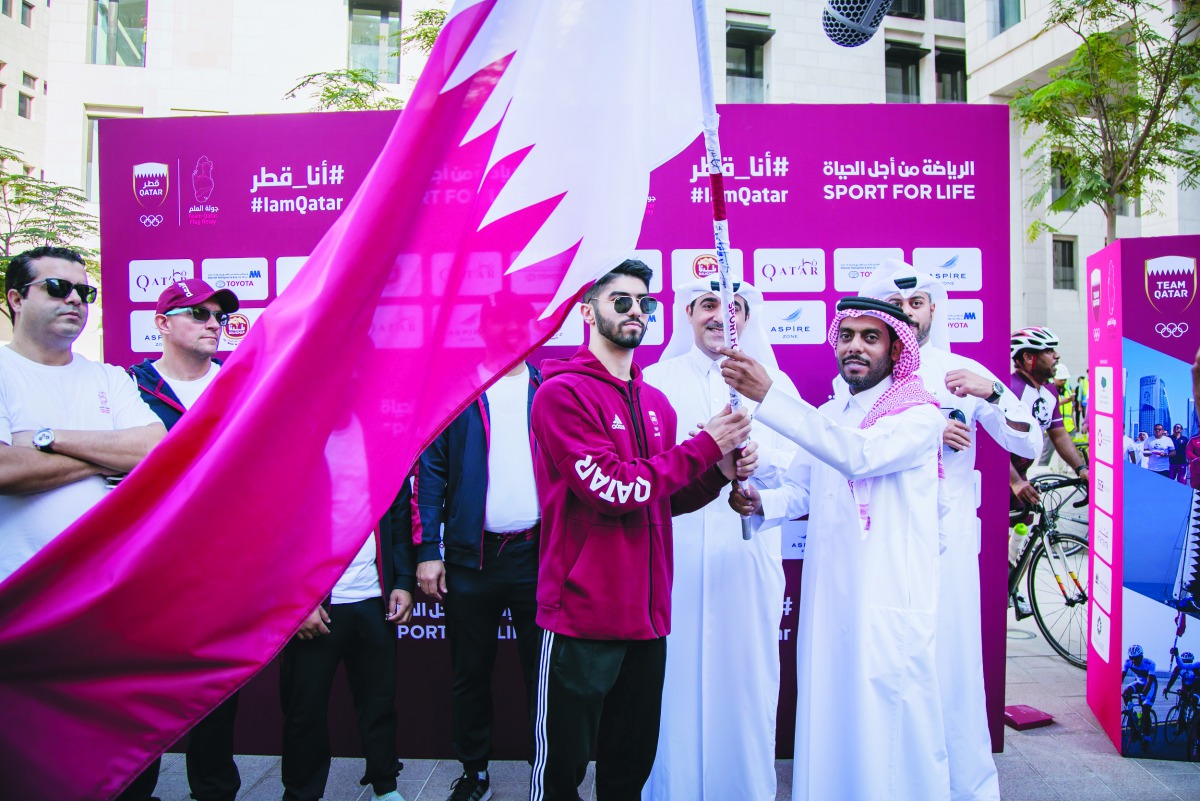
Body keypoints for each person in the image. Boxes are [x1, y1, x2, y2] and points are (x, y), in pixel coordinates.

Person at [527, 259, 754, 801]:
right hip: (581, 618)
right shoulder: (561, 395)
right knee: (561, 775)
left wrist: (716, 476)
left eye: (645, 303)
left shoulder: (654, 402)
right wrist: (705, 448)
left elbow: (658, 500)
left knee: (629, 772)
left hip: (647, 621)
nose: (636, 311)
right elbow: (610, 489)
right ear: (587, 312)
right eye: (621, 301)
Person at [722, 295, 950, 801]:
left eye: (871, 338)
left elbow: (859, 456)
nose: (855, 347)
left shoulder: (919, 416)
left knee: (889, 728)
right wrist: (759, 501)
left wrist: (770, 397)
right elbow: (804, 490)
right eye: (846, 336)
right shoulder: (829, 414)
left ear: (895, 349)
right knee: (829, 719)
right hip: (830, 604)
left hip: (886, 603)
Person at [861, 261, 1039, 801]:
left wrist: (993, 395)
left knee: (950, 667)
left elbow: (1028, 447)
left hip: (946, 546)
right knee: (886, 666)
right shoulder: (866, 373)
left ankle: (961, 785)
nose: (908, 314)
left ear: (934, 309)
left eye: (917, 304)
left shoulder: (961, 371)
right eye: (897, 305)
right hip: (882, 548)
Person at [0, 246, 167, 801]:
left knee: (124, 760)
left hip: (107, 603)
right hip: (22, 606)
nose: (75, 299)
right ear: (16, 298)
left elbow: (149, 448)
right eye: (57, 288)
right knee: (37, 761)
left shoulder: (110, 378)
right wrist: (103, 455)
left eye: (85, 291)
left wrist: (45, 439)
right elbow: (5, 469)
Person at [641, 278, 799, 801]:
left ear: (747, 319)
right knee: (670, 688)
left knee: (746, 684)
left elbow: (802, 485)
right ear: (688, 312)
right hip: (673, 562)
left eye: (733, 307)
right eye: (708, 304)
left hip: (746, 560)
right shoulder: (654, 383)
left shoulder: (776, 387)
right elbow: (638, 475)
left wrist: (760, 466)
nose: (720, 316)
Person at [411, 297, 544, 801]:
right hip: (472, 559)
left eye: (520, 324)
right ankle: (474, 773)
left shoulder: (548, 388)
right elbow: (431, 474)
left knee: (544, 674)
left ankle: (545, 771)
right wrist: (428, 549)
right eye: (500, 325)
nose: (510, 332)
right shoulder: (459, 391)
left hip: (537, 556)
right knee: (470, 674)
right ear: (483, 332)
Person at [127, 279, 242, 801]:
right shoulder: (126, 387)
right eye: (197, 313)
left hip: (221, 566)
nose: (213, 323)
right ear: (162, 324)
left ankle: (215, 791)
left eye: (218, 314)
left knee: (216, 698)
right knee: (142, 698)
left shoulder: (241, 384)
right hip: (148, 567)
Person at [277, 480, 415, 801]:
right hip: (316, 605)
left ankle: (385, 787)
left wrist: (404, 581)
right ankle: (301, 794)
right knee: (305, 709)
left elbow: (399, 519)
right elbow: (276, 529)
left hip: (373, 599)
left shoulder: (380, 450)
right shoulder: (299, 449)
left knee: (379, 701)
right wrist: (297, 599)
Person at [1007, 328, 1088, 596]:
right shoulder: (1011, 390)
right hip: (1002, 477)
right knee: (996, 541)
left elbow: (1060, 434)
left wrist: (1081, 468)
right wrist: (1016, 482)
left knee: (1023, 533)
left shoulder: (1050, 391)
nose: (1057, 356)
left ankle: (1010, 587)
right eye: (1050, 351)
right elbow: (993, 445)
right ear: (1029, 357)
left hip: (1021, 477)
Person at [1037, 364, 1076, 466]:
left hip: (1068, 427)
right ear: (1053, 378)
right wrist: (1064, 401)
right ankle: (1040, 473)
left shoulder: (1067, 389)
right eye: (1061, 380)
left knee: (1071, 455)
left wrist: (1074, 423)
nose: (1063, 382)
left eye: (1065, 380)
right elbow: (1046, 407)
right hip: (1052, 429)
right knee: (1046, 456)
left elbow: (1071, 409)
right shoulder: (1047, 390)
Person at [1122, 645, 1158, 748]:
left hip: (1150, 685)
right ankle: (1132, 714)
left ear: (1141, 656)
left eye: (1136, 658)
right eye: (1131, 658)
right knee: (1126, 692)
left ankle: (1147, 736)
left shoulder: (1150, 664)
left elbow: (1150, 681)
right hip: (1139, 682)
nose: (1133, 661)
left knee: (1146, 709)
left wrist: (1143, 694)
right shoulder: (1128, 662)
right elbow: (1122, 677)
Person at [1163, 650, 1198, 735]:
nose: (1186, 663)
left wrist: (1193, 692)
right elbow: (1172, 679)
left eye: (1188, 662)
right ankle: (1180, 727)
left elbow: (1197, 682)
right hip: (1185, 688)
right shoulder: (1178, 668)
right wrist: (1167, 688)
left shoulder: (1195, 668)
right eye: (1184, 662)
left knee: (1195, 707)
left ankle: (1194, 724)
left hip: (1196, 687)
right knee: (1181, 706)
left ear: (1192, 661)